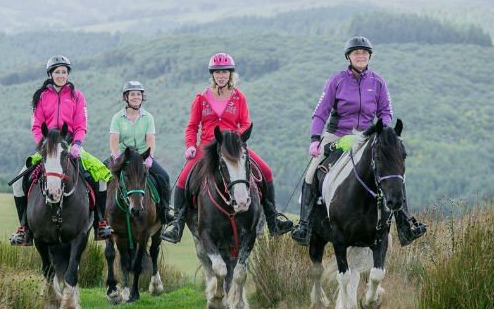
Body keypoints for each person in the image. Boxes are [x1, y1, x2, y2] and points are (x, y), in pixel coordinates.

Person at [290, 36, 426, 247]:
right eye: (356, 53)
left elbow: (386, 112)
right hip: (338, 134)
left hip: (367, 136)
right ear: (349, 57)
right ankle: (305, 226)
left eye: (364, 52)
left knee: (394, 171)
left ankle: (405, 225)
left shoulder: (378, 82)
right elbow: (320, 113)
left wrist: (380, 129)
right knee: (311, 173)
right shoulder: (337, 81)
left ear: (369, 56)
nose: (361, 55)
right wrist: (315, 139)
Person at [161, 53, 294, 244]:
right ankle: (177, 225)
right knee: (183, 180)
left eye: (224, 72)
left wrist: (233, 139)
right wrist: (190, 145)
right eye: (217, 73)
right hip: (206, 147)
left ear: (230, 75)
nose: (221, 76)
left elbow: (246, 123)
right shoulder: (201, 98)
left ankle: (274, 221)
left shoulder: (239, 98)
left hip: (234, 146)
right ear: (212, 75)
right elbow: (192, 127)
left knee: (266, 171)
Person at [9, 55, 112, 245]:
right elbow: (36, 126)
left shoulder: (77, 96)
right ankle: (24, 228)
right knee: (19, 182)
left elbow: (81, 124)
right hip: (47, 146)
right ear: (50, 74)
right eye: (57, 72)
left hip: (70, 145)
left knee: (99, 176)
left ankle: (100, 223)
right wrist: (43, 146)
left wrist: (77, 145)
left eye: (64, 72)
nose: (61, 75)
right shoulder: (41, 96)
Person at [108, 80, 173, 224]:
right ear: (126, 97)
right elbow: (114, 140)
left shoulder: (148, 117)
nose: (136, 97)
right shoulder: (117, 118)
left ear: (142, 97)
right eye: (132, 94)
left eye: (138, 94)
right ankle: (101, 218)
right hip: (123, 157)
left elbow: (150, 139)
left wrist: (149, 157)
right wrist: (116, 156)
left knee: (164, 177)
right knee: (101, 179)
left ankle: (164, 211)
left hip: (142, 157)